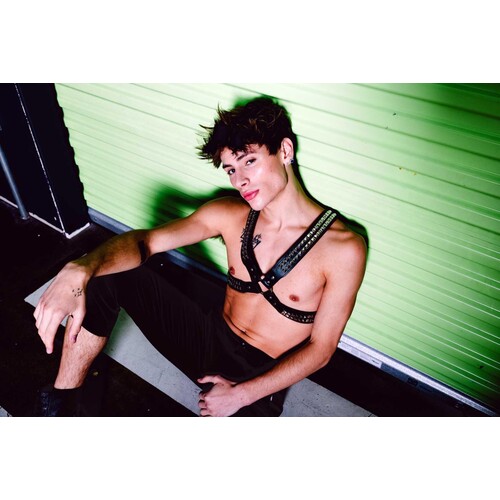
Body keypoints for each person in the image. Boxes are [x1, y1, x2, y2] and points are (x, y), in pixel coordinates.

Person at [33, 96, 367, 417]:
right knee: (104, 274)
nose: (240, 180)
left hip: (261, 373)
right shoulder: (230, 214)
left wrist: (239, 395)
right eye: (231, 169)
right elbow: (146, 242)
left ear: (285, 150)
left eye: (249, 161)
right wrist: (81, 268)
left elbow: (321, 350)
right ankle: (63, 404)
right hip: (210, 337)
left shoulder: (343, 248)